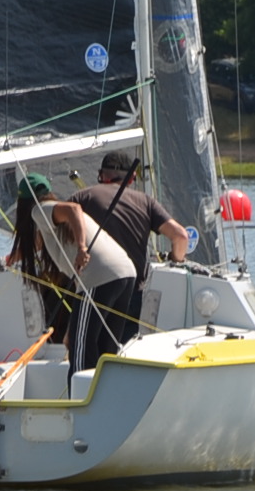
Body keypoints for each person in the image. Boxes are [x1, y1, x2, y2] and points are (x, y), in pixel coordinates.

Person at [68, 151, 193, 356]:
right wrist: (175, 260)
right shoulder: (145, 201)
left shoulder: (82, 198)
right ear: (132, 178)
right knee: (120, 352)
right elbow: (180, 236)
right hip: (131, 291)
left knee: (88, 348)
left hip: (94, 288)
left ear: (101, 175)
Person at [7, 175, 133, 371]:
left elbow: (74, 208)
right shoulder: (52, 221)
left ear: (23, 202)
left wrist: (82, 247)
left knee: (79, 347)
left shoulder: (39, 210)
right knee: (104, 350)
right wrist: (12, 258)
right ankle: (106, 395)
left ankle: (81, 395)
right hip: (125, 273)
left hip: (100, 276)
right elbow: (38, 243)